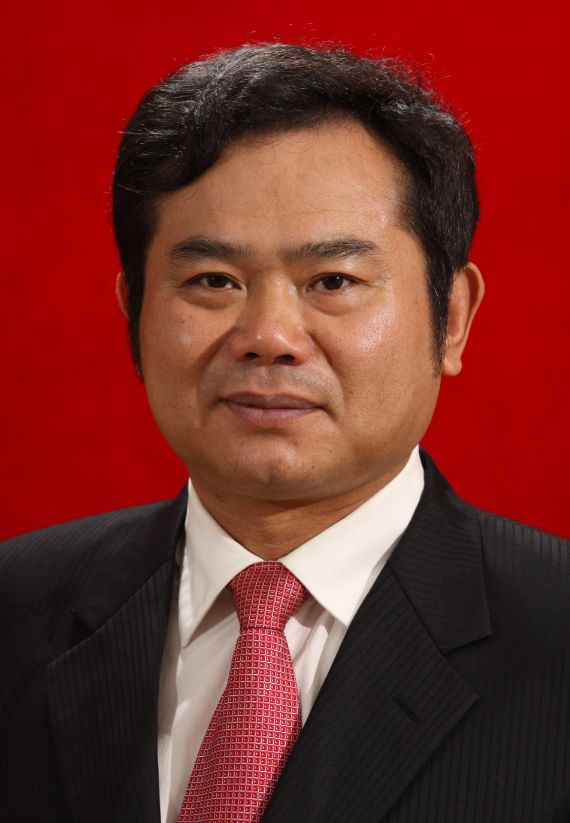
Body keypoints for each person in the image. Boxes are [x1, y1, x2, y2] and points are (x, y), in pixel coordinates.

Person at [1, 42, 569, 823]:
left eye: (332, 281)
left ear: (452, 317)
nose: (268, 336)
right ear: (134, 312)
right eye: (213, 281)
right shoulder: (15, 609)